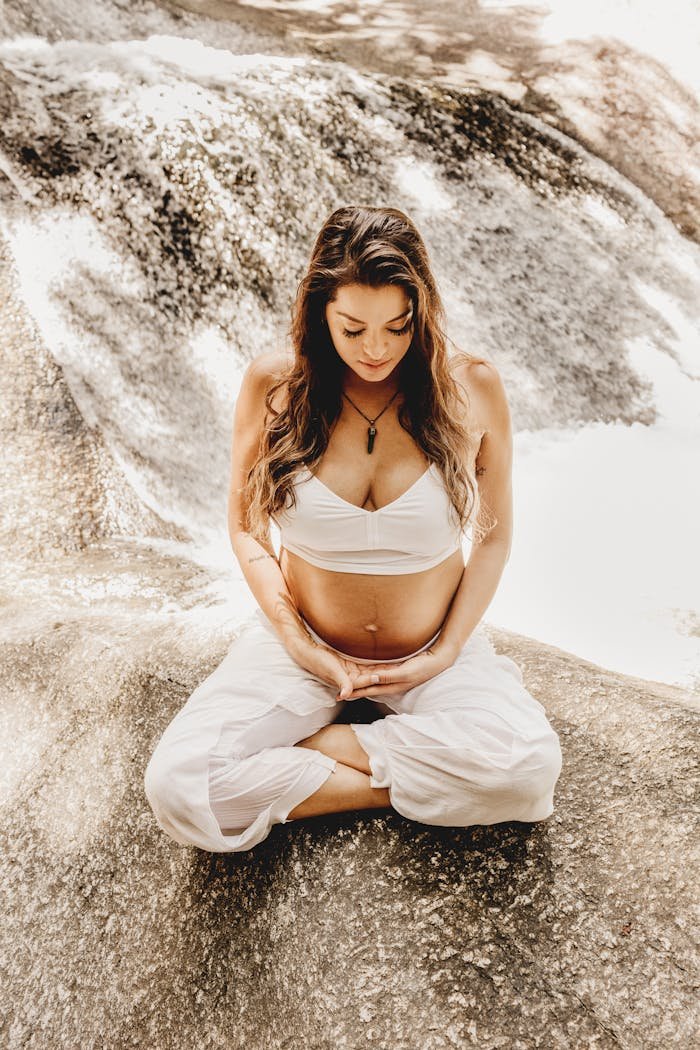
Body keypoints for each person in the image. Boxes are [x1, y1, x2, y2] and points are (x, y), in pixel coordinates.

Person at [144, 205, 563, 853]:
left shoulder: (469, 387)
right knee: (181, 784)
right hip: (302, 650)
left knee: (529, 767)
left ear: (420, 312)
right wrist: (302, 645)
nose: (376, 349)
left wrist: (446, 651)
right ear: (320, 314)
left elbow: (494, 534)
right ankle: (404, 772)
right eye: (353, 328)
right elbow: (246, 529)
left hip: (430, 656)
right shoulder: (275, 385)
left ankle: (317, 749)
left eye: (398, 327)